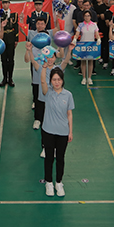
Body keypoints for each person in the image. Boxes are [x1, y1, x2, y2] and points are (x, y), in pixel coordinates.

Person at [38, 59, 74, 197]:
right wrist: (44, 68)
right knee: (48, 158)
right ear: (51, 81)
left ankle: (59, 183)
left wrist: (70, 131)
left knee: (60, 158)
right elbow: (42, 82)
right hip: (48, 131)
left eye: (59, 79)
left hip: (63, 132)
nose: (56, 82)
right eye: (54, 79)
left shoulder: (68, 95)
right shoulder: (48, 93)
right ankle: (48, 183)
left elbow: (69, 114)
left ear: (62, 80)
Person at [0, 0, 19, 87]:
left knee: (10, 60)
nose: (5, 4)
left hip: (11, 38)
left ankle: (10, 78)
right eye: (3, 3)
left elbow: (16, 27)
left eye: (6, 3)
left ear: (9, 3)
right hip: (2, 39)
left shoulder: (14, 14)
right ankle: (4, 78)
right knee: (3, 60)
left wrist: (16, 39)